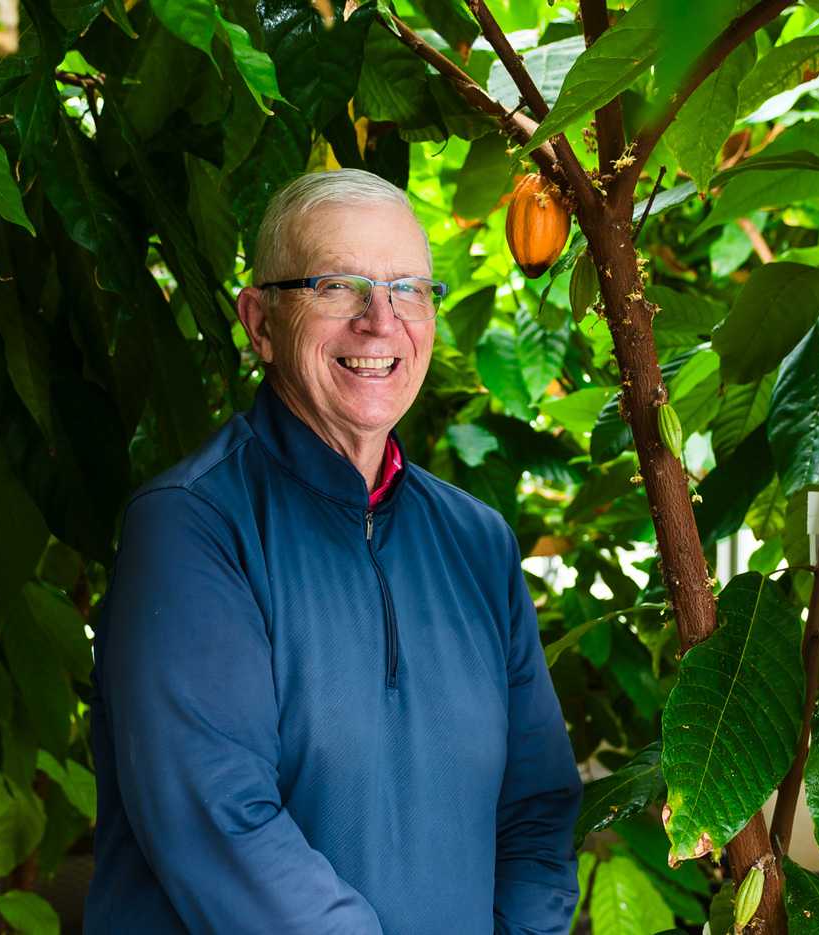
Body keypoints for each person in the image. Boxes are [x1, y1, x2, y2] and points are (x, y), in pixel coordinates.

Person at [83, 168, 583, 934]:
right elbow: (223, 827)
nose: (380, 321)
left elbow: (536, 811)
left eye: (410, 289)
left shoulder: (478, 543)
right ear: (260, 322)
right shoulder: (190, 528)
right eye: (338, 286)